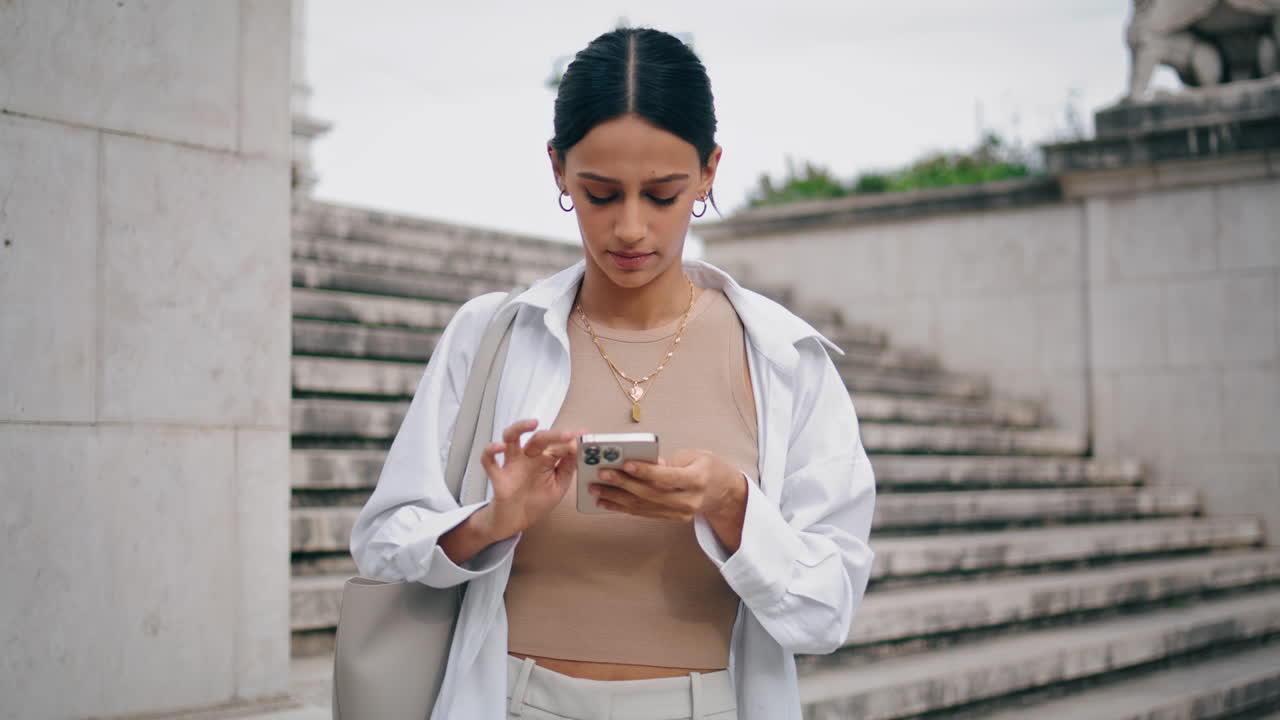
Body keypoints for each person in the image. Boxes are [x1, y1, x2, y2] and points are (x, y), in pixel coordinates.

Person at [349, 26, 876, 720]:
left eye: (662, 195)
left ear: (709, 171)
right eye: (600, 194)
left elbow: (828, 609)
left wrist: (731, 505)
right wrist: (492, 522)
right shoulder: (490, 335)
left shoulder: (786, 359)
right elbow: (382, 542)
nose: (630, 228)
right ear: (558, 169)